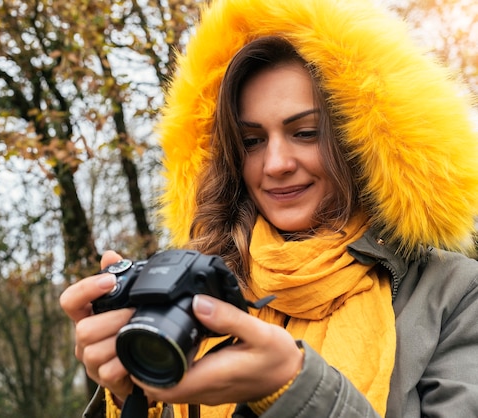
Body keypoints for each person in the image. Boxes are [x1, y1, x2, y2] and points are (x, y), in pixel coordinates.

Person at [60, 0, 478, 416]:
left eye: (306, 133)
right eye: (252, 141)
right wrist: (127, 395)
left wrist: (293, 387)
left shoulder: (454, 293)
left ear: (361, 142)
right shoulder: (201, 292)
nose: (276, 164)